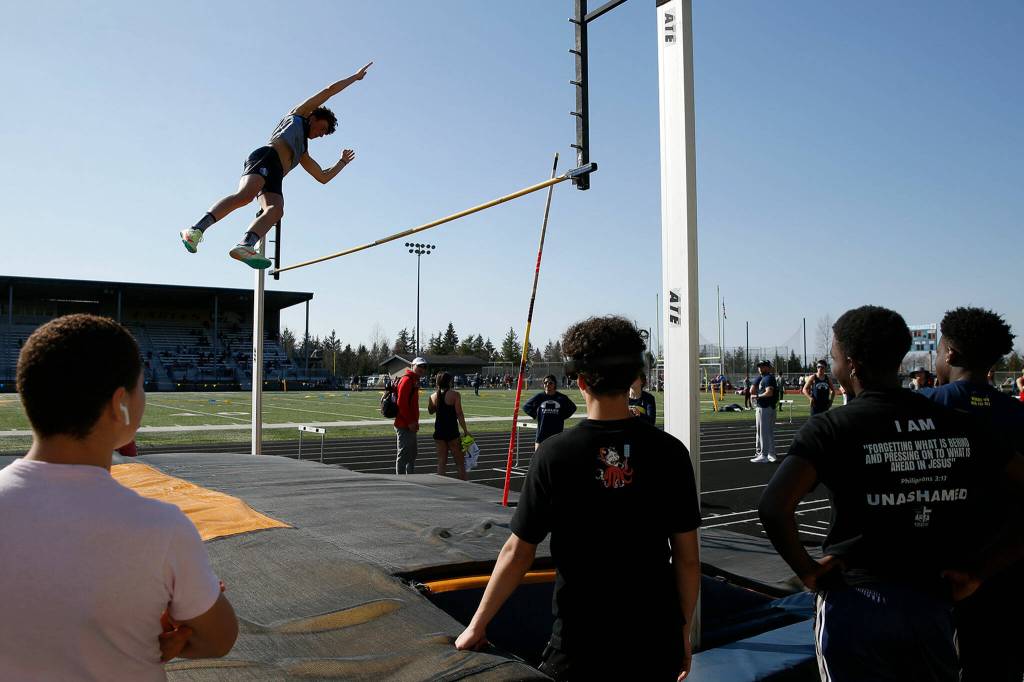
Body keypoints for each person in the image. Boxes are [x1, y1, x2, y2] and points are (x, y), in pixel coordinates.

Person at [758, 305, 1024, 682]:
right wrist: (981, 571)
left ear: (850, 364)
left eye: (833, 359)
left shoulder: (831, 427)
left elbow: (773, 507)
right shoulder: (958, 423)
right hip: (931, 599)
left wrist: (807, 571)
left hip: (856, 598)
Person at [455, 316, 701, 681]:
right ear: (635, 376)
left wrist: (477, 624)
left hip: (579, 645)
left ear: (581, 381)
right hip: (654, 640)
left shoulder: (554, 455)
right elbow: (687, 558)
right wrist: (682, 630)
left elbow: (518, 551)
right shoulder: (671, 452)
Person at [0, 315, 238, 679]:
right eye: (141, 387)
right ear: (119, 405)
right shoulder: (162, 528)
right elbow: (220, 638)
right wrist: (178, 631)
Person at [180, 62, 372, 269]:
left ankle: (245, 245)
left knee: (276, 209)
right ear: (313, 118)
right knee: (245, 196)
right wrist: (355, 77)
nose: (320, 134)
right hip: (266, 157)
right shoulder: (298, 115)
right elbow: (329, 91)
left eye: (324, 134)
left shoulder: (302, 152)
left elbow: (322, 177)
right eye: (322, 128)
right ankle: (195, 230)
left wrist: (342, 162)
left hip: (276, 174)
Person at [919, 306, 1024, 682]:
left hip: (933, 571)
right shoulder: (1017, 414)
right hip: (1005, 566)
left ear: (949, 353)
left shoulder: (922, 407)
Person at [427, 372, 470, 481]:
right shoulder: (455, 395)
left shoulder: (432, 396)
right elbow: (459, 413)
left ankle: (441, 486)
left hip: (439, 431)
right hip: (452, 432)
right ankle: (463, 484)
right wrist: (465, 430)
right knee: (460, 462)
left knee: (441, 462)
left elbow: (430, 411)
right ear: (449, 381)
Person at [522, 374, 578, 450]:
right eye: (545, 383)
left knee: (555, 458)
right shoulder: (540, 396)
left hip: (556, 435)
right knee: (538, 459)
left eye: (550, 383)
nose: (547, 384)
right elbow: (526, 406)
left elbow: (573, 408)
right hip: (541, 435)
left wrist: (562, 416)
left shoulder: (561, 398)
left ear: (554, 384)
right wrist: (535, 415)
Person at [394, 357, 427, 474]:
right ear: (413, 365)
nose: (422, 369)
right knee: (403, 455)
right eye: (419, 366)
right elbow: (401, 403)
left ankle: (411, 478)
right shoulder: (407, 380)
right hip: (404, 424)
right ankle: (402, 482)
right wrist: (410, 422)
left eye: (424, 367)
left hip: (410, 424)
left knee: (412, 455)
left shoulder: (414, 380)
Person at [750, 360, 778, 463]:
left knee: (763, 432)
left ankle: (764, 455)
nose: (760, 368)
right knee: (768, 432)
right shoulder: (764, 378)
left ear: (768, 367)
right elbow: (752, 390)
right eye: (759, 366)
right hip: (768, 407)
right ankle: (771, 454)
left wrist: (757, 396)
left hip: (765, 407)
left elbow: (769, 393)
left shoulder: (768, 378)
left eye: (762, 366)